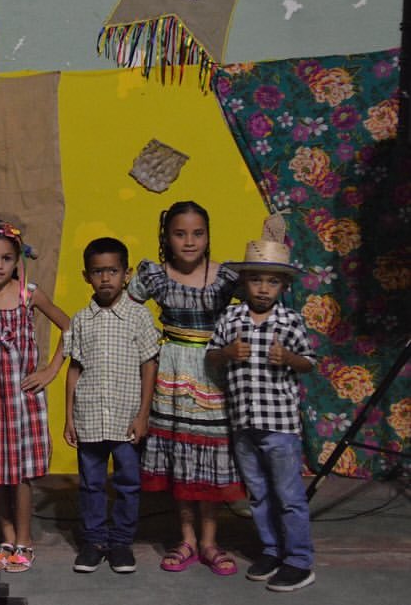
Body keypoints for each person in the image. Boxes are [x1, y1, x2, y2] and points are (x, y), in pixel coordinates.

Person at [127, 201, 243, 575]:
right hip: (171, 375)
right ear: (167, 237)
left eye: (198, 233)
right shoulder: (154, 276)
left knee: (210, 460)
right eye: (180, 234)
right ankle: (187, 539)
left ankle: (210, 541)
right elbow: (124, 310)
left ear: (208, 236)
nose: (189, 241)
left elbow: (262, 304)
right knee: (181, 458)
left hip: (213, 374)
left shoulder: (227, 277)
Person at [205, 234, 316, 592]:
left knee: (288, 494)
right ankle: (271, 549)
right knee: (258, 493)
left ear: (283, 285)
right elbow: (211, 355)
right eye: (256, 279)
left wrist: (290, 359)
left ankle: (298, 560)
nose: (264, 288)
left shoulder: (289, 321)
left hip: (279, 425)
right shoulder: (232, 317)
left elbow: (309, 364)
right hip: (243, 423)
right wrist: (226, 354)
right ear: (244, 282)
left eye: (272, 281)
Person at [0, 222, 70, 574]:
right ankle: (5, 537)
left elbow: (69, 327)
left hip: (21, 399)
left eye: (6, 258)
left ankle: (25, 540)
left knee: (20, 473)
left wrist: (50, 371)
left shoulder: (28, 295)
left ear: (17, 261)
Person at [63, 238, 160, 575]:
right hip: (89, 416)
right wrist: (69, 418)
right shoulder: (81, 319)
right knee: (90, 483)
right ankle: (94, 541)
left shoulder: (138, 316)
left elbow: (150, 363)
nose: (106, 278)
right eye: (98, 272)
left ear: (127, 274)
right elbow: (74, 368)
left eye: (113, 271)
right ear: (86, 276)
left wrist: (143, 414)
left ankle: (120, 542)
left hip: (125, 418)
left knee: (127, 482)